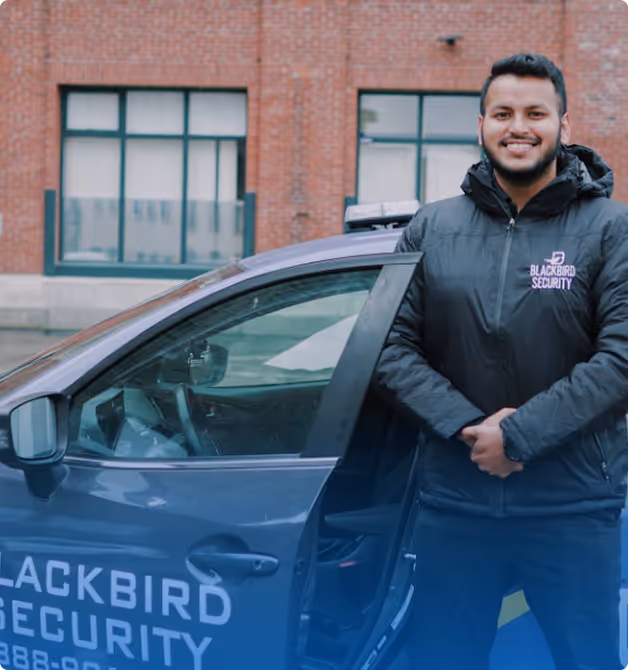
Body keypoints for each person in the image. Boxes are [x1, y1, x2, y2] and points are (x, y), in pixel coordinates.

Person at [375, 53, 628, 670]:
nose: (520, 127)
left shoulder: (610, 229)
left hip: (572, 508)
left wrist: (519, 436)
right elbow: (388, 348)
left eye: (536, 113)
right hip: (455, 503)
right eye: (504, 113)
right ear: (481, 124)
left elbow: (621, 359)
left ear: (564, 126)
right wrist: (473, 430)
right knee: (443, 659)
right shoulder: (430, 229)